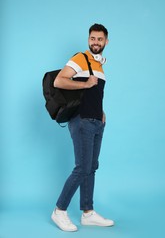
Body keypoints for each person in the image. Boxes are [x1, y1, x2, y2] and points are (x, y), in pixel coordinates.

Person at [51, 23, 114, 232]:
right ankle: (59, 211)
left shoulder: (100, 64)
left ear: (106, 41)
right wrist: (85, 84)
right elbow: (59, 81)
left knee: (91, 168)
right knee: (82, 168)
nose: (96, 42)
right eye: (92, 38)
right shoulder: (80, 58)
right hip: (82, 121)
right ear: (88, 40)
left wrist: (101, 112)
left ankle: (88, 213)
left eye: (100, 39)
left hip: (96, 121)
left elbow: (95, 94)